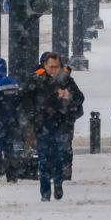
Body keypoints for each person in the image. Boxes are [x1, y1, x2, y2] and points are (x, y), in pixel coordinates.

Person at [25, 52, 84, 201]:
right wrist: (32, 119)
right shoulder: (36, 80)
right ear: (44, 66)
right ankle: (45, 192)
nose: (53, 70)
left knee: (60, 155)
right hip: (43, 124)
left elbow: (79, 98)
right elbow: (26, 99)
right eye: (50, 67)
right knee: (44, 158)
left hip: (62, 123)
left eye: (56, 67)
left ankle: (58, 183)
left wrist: (67, 96)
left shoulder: (66, 80)